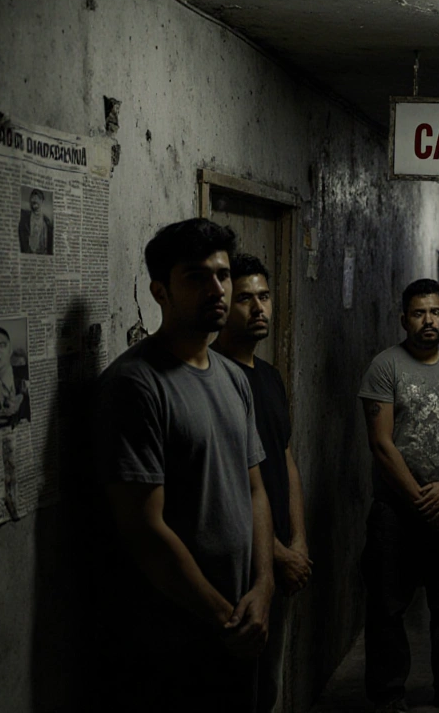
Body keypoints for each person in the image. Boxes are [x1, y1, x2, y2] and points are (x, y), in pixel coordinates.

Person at [97, 218, 274, 710]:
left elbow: (254, 489)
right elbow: (144, 529)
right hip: (175, 636)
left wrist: (263, 587)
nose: (217, 288)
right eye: (196, 277)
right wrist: (224, 618)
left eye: (221, 274)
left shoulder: (232, 378)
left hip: (242, 622)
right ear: (160, 291)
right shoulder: (136, 385)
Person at [360, 278, 439, 713]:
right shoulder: (385, 367)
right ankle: (388, 694)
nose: (427, 321)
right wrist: (420, 500)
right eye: (418, 313)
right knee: (388, 608)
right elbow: (382, 444)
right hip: (397, 509)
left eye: (434, 312)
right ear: (404, 319)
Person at [210, 252, 311, 712]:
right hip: (240, 562)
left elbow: (285, 460)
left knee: (269, 684)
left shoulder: (269, 376)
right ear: (225, 304)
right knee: (236, 687)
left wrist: (299, 542)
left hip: (280, 557)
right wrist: (277, 553)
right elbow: (229, 486)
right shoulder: (213, 379)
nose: (259, 309)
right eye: (246, 299)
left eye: (264, 297)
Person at [19, 188, 53, 254]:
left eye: (37, 200)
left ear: (42, 201)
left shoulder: (47, 223)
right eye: (32, 200)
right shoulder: (24, 220)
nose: (34, 201)